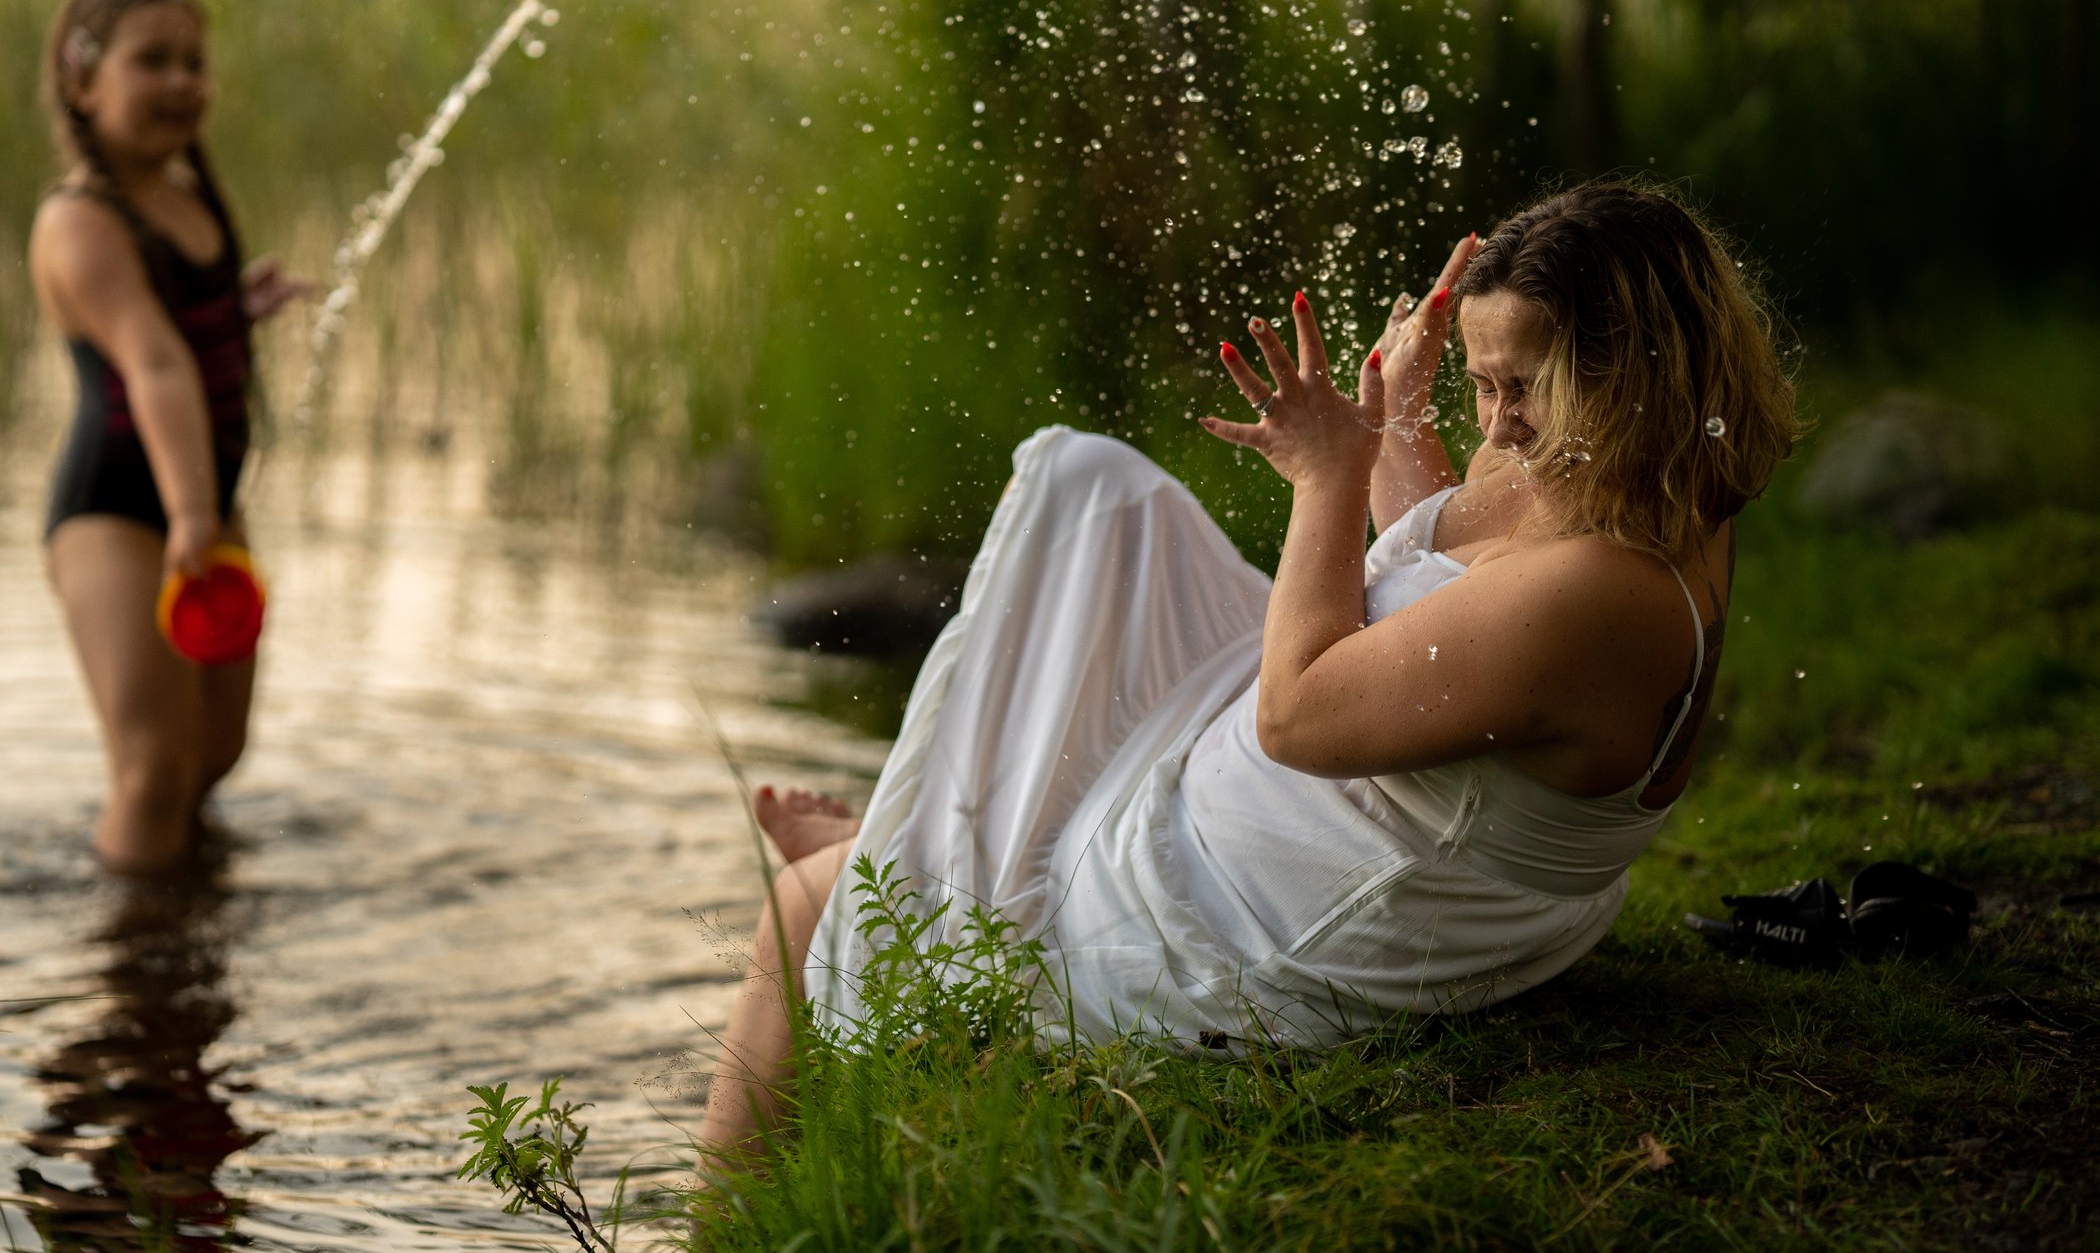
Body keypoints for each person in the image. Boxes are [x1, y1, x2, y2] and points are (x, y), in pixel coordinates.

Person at [703, 182, 1798, 1164]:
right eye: (1480, 383)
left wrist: (1330, 475)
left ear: (1637, 369)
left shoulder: (1604, 591)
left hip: (1273, 932)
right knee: (1097, 495)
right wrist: (1398, 424)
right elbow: (1442, 588)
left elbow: (1297, 715)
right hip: (1316, 824)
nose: (1499, 426)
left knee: (802, 904)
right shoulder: (1621, 471)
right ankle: (920, 833)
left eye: (1526, 385)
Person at [30, 0, 309, 873]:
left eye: (195, 62)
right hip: (120, 507)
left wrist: (231, 310)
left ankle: (186, 912)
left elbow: (179, 327)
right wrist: (191, 517)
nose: (184, 82)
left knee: (213, 756)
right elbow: (150, 359)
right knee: (152, 769)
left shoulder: (185, 198)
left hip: (201, 499)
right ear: (83, 83)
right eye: (153, 61)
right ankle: (128, 954)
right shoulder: (82, 221)